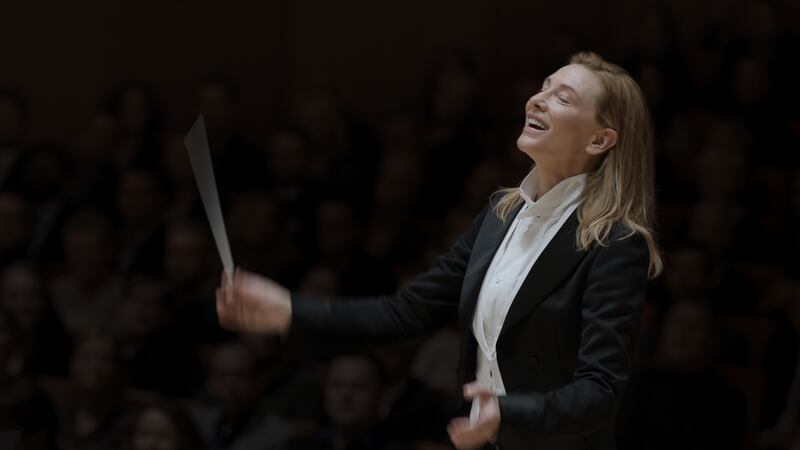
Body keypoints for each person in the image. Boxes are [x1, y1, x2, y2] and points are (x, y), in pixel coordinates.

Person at [216, 51, 662, 450]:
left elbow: (600, 391)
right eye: (543, 87)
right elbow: (407, 311)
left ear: (600, 140)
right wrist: (291, 310)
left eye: (563, 98)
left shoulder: (616, 243)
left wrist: (509, 412)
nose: (537, 99)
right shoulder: (500, 214)